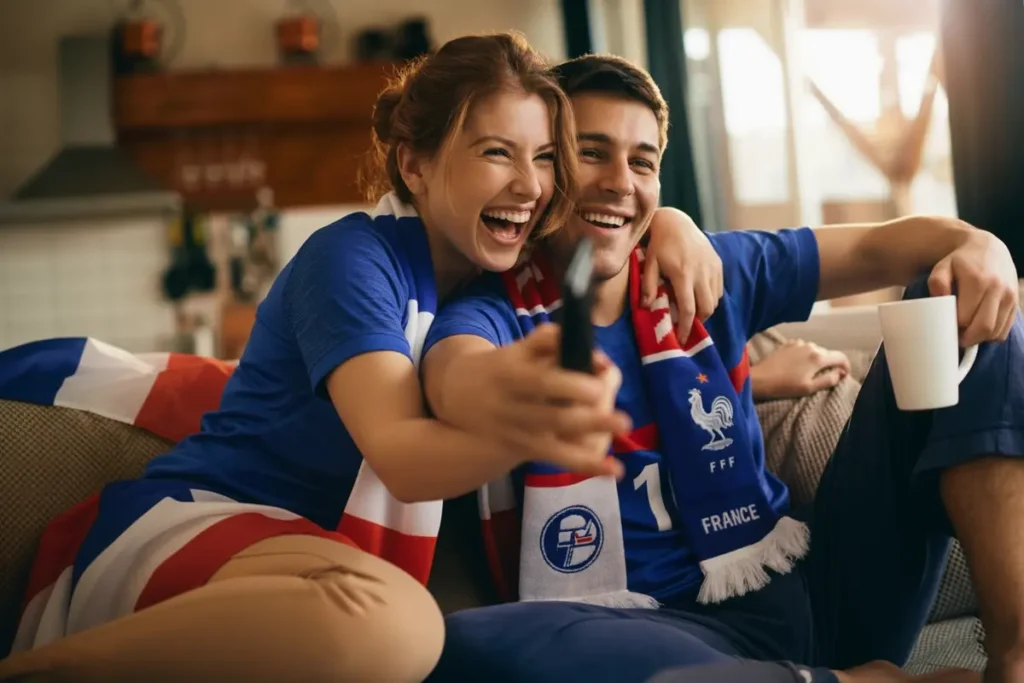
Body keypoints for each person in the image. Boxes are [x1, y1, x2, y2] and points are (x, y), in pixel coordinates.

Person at [0, 34, 722, 683]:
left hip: (306, 556)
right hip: (202, 529)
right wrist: (529, 431)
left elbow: (609, 235)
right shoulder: (350, 259)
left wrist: (674, 222)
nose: (530, 186)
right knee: (400, 628)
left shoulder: (498, 276)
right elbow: (402, 454)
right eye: (496, 152)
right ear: (415, 164)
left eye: (542, 158)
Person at [419, 53, 1024, 683]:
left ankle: (1013, 658)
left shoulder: (705, 269)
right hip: (652, 636)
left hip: (818, 592)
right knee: (460, 644)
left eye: (642, 163)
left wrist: (980, 244)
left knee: (958, 304)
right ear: (547, 167)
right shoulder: (492, 313)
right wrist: (510, 387)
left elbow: (877, 248)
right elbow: (456, 372)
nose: (620, 182)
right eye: (591, 153)